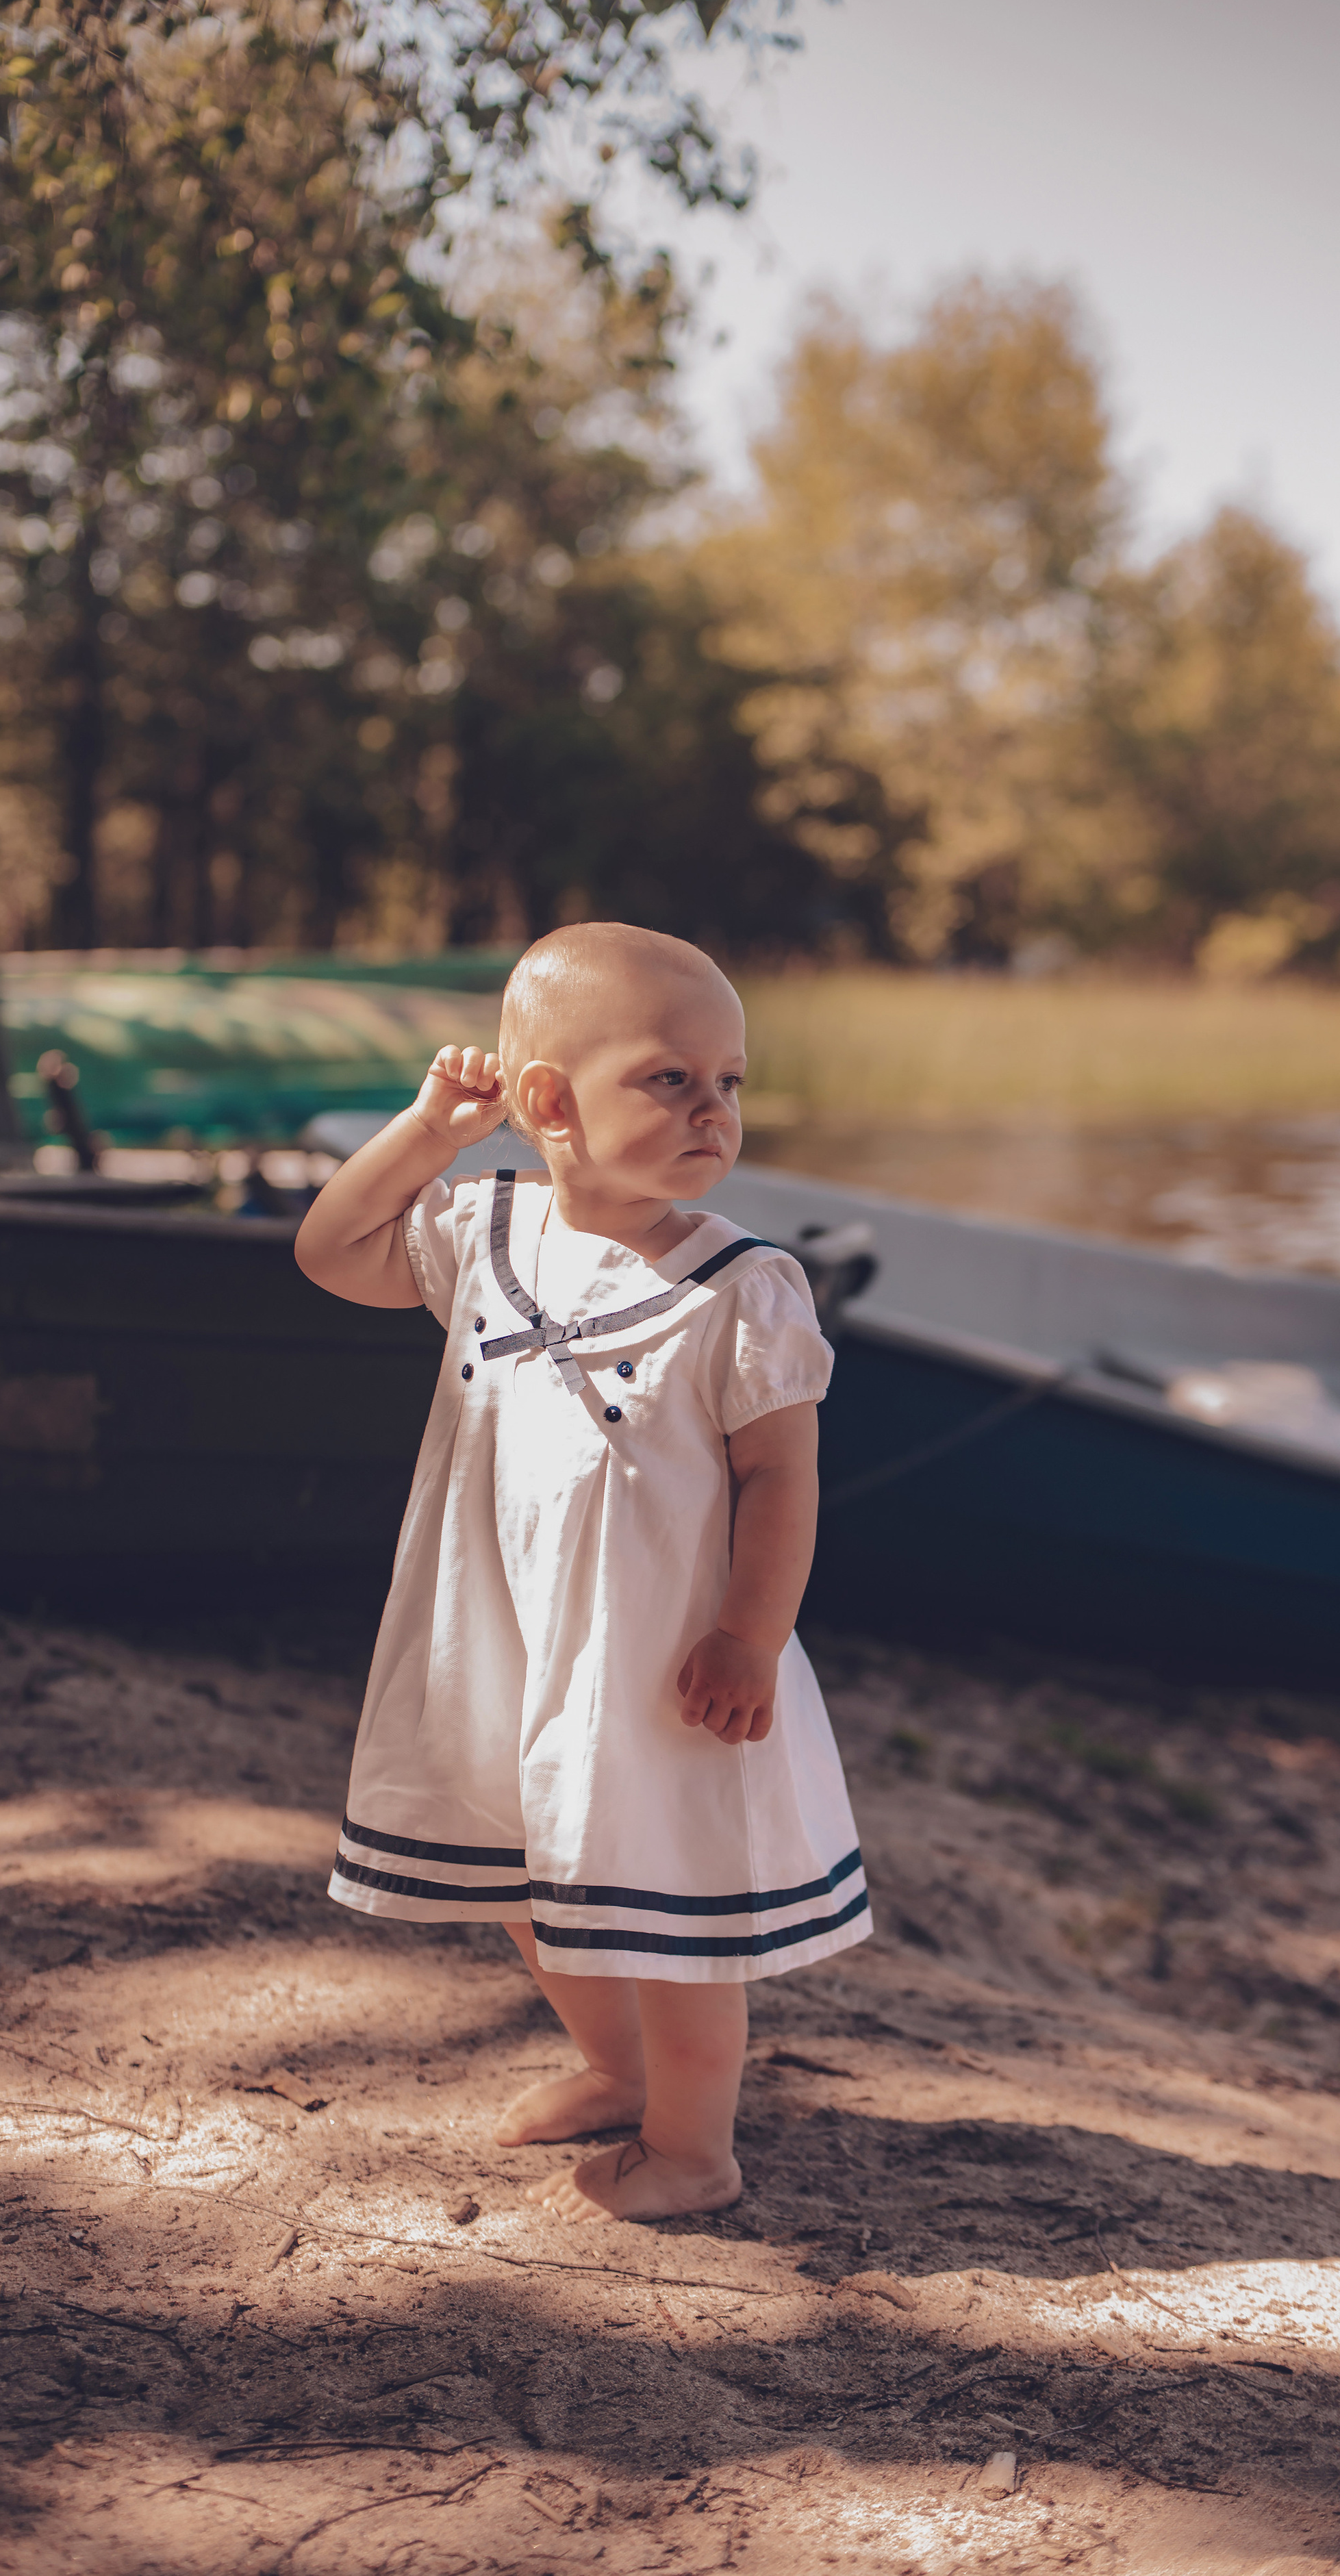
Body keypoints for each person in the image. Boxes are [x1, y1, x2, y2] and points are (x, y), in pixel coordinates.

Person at [293, 924, 871, 2224]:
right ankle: (613, 2070)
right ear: (548, 1103)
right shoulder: (482, 1233)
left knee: (671, 1909)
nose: (713, 1109)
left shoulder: (738, 1288)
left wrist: (750, 1637)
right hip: (507, 1635)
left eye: (729, 1081)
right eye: (671, 1079)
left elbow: (785, 1480)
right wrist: (428, 1131)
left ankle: (693, 2146)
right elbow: (329, 1252)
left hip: (660, 1656)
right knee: (525, 1870)